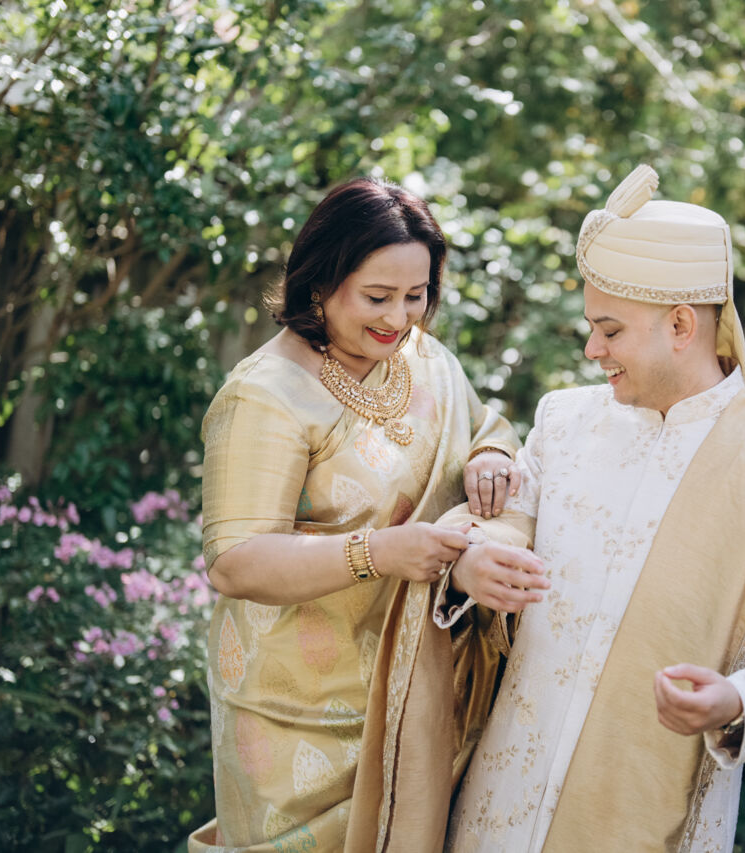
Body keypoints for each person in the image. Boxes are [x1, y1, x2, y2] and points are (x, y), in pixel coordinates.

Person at [434, 165, 745, 851]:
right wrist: (470, 565)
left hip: (660, 814)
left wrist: (737, 700)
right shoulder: (563, 422)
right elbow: (502, 527)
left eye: (609, 330)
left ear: (680, 325)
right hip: (499, 808)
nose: (591, 350)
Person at [187, 177, 545, 853]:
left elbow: (484, 425)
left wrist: (491, 454)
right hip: (296, 718)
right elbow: (235, 562)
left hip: (421, 693)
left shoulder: (422, 359)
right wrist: (378, 552)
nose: (398, 318)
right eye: (377, 297)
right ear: (319, 281)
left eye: (417, 295)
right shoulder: (266, 396)